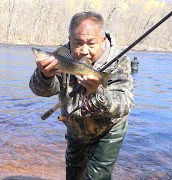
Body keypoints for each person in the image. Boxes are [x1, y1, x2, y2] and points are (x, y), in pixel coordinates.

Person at [29, 11, 134, 180]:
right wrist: (45, 75)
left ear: (103, 40)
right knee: (74, 175)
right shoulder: (61, 57)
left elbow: (124, 104)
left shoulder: (119, 61)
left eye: (91, 43)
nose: (84, 50)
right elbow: (42, 91)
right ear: (70, 40)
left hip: (109, 129)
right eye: (78, 43)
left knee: (97, 177)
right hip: (75, 127)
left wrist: (98, 93)